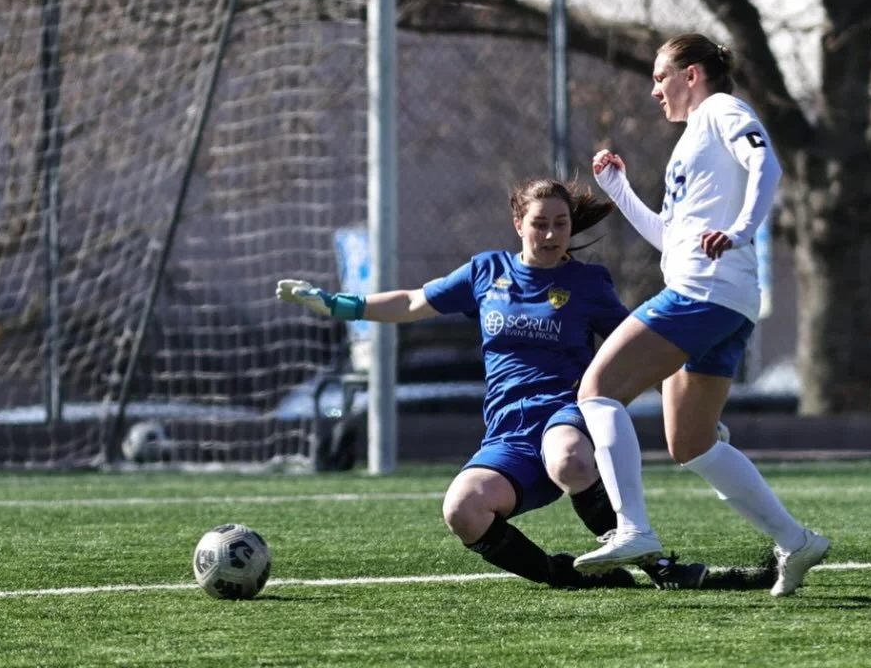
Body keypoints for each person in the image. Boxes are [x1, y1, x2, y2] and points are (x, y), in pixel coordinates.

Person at [276, 178, 708, 591]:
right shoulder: (486, 271)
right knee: (462, 510)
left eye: (561, 223)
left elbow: (636, 349)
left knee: (569, 459)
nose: (552, 234)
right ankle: (563, 575)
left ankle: (658, 565)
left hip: (566, 410)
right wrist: (337, 305)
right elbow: (412, 302)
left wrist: (686, 405)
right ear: (518, 224)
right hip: (508, 431)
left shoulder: (588, 284)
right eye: (540, 223)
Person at [570, 33, 830, 597]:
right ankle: (795, 539)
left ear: (691, 75)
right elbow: (671, 238)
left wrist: (740, 231)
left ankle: (633, 528)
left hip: (703, 292)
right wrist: (618, 190)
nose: (654, 90)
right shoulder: (693, 139)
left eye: (661, 77)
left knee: (597, 389)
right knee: (690, 443)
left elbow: (769, 165)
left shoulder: (720, 109)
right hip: (722, 301)